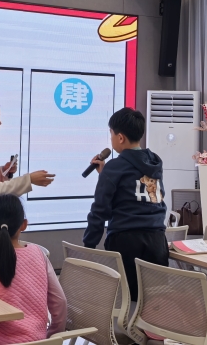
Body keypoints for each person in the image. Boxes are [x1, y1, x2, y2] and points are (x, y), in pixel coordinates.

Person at [82, 107, 168, 301]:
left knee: (126, 299)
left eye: (111, 134)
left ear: (120, 137)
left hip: (126, 241)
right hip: (157, 240)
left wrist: (89, 244)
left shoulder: (115, 167)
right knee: (155, 299)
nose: (111, 139)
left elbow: (100, 210)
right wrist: (105, 174)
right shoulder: (154, 162)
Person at [0, 194, 67, 344]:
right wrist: (51, 337)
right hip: (39, 341)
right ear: (24, 224)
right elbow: (60, 302)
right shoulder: (39, 254)